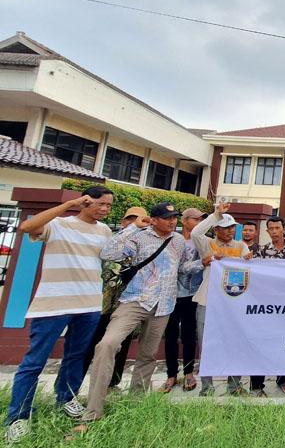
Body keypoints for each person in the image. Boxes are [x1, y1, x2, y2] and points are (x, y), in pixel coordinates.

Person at [4, 187, 113, 443]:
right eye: (102, 204)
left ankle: (66, 398)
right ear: (86, 202)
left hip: (88, 303)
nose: (106, 209)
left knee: (75, 356)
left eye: (109, 205)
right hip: (53, 305)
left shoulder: (104, 231)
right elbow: (27, 227)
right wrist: (67, 205)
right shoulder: (58, 224)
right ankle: (18, 416)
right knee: (34, 362)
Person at [81, 202, 201, 425]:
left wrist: (203, 263)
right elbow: (108, 252)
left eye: (174, 217)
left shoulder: (177, 241)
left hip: (164, 305)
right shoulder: (138, 236)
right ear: (154, 220)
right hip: (135, 301)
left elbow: (182, 267)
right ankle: (93, 409)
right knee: (107, 345)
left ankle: (136, 402)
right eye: (167, 218)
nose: (172, 221)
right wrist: (133, 227)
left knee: (147, 355)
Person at [191, 203, 254, 396]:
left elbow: (248, 272)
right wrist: (216, 215)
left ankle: (234, 385)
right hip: (208, 301)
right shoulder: (207, 244)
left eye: (232, 228)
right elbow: (195, 233)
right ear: (217, 229)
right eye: (225, 228)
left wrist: (250, 262)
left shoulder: (241, 246)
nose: (230, 232)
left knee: (235, 343)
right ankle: (207, 387)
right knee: (206, 345)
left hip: (233, 304)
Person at [82, 207, 149, 391]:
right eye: (131, 219)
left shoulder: (145, 243)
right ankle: (74, 384)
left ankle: (113, 383)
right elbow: (106, 255)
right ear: (123, 221)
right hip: (102, 303)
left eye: (140, 219)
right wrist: (132, 228)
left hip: (127, 302)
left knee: (122, 344)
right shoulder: (113, 239)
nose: (135, 222)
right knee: (90, 342)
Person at [160, 208, 206, 393]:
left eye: (202, 220)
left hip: (192, 294)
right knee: (170, 336)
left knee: (189, 334)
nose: (199, 223)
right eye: (196, 220)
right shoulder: (172, 240)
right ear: (185, 221)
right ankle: (171, 375)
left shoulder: (202, 242)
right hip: (170, 294)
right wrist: (202, 263)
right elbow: (176, 267)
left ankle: (188, 372)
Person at [258, 215, 285, 394]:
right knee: (262, 342)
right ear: (267, 231)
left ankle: (283, 379)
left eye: (278, 228)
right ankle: (257, 384)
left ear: (283, 229)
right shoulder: (261, 251)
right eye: (271, 229)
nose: (275, 232)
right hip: (266, 305)